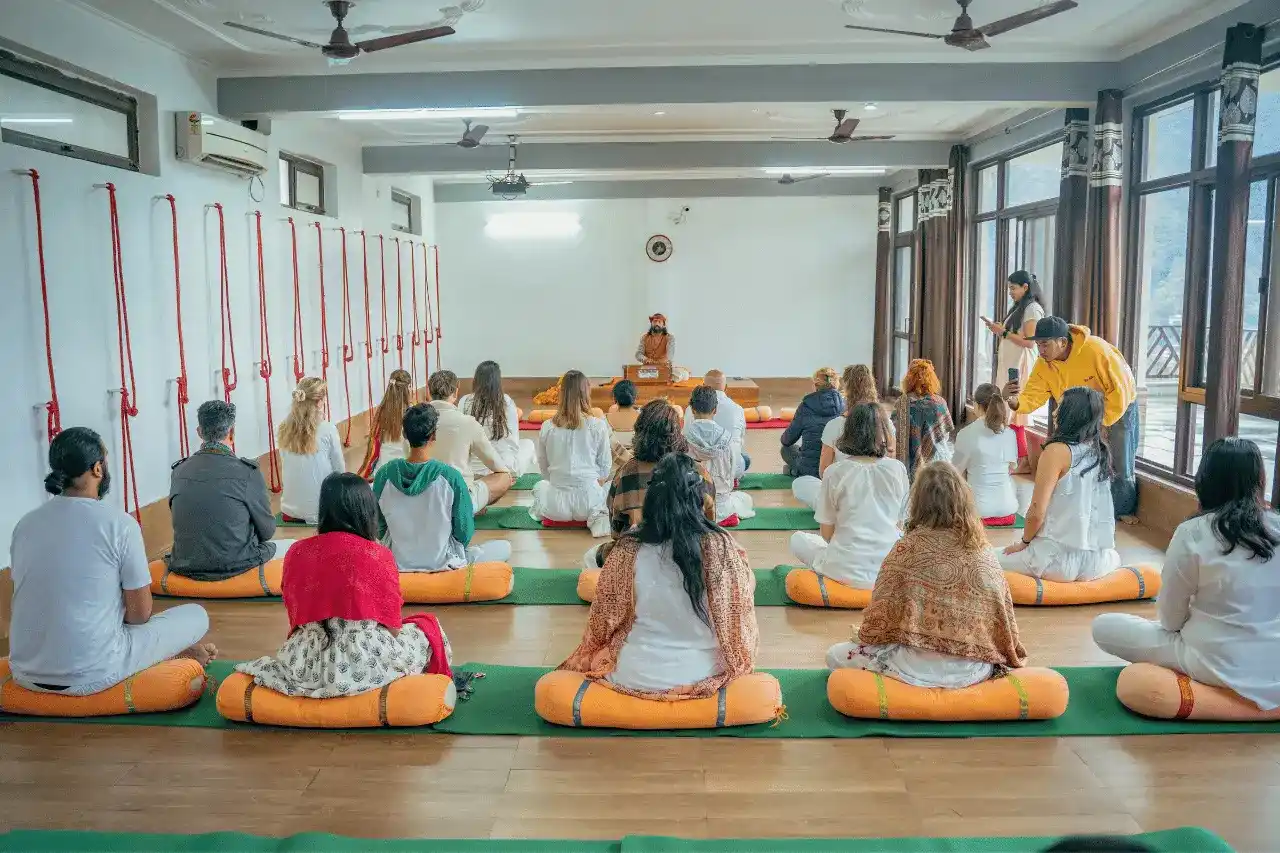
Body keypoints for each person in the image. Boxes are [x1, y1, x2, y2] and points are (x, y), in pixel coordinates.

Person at [8, 427, 215, 696]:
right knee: (195, 615)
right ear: (97, 469)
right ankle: (167, 653)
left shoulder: (25, 524)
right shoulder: (119, 524)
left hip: (25, 673)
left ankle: (164, 651)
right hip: (95, 672)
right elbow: (139, 616)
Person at [1092, 437, 1280, 711]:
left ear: (1206, 479)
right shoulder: (1276, 527)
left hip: (1208, 661)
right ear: (1259, 480)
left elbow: (1169, 619)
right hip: (1271, 663)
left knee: (1104, 626)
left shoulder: (1194, 532)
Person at [558, 452, 759, 698]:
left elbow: (603, 620)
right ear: (698, 499)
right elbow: (741, 608)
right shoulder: (721, 546)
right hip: (702, 671)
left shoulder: (628, 548)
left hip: (635, 673)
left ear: (651, 500)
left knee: (598, 656)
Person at [237, 473, 452, 698]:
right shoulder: (377, 555)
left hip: (306, 664)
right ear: (367, 511)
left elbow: (295, 618)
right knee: (428, 628)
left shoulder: (296, 552)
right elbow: (394, 627)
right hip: (366, 664)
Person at [826, 461, 1026, 686]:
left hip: (913, 668)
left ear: (918, 503)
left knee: (835, 654)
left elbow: (878, 622)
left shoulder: (906, 549)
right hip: (973, 670)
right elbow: (1003, 622)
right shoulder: (983, 552)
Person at [1002, 316, 1139, 519]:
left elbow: (1121, 391)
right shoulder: (1044, 363)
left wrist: (1102, 423)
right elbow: (1034, 393)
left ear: (1063, 342)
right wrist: (1016, 403)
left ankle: (1122, 511)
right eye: (1038, 344)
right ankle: (1092, 508)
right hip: (1080, 415)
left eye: (1045, 344)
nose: (1041, 350)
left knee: (1120, 460)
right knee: (1082, 461)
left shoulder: (1096, 351)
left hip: (1119, 409)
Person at [999, 387, 1120, 583]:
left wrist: (1023, 543)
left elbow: (1036, 512)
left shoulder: (1056, 451)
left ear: (1072, 414)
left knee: (986, 558)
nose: (1055, 413)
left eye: (1060, 407)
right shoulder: (1100, 450)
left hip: (1056, 561)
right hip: (1098, 562)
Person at [374, 404, 512, 571]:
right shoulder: (450, 476)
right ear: (433, 435)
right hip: (443, 562)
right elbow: (463, 532)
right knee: (504, 547)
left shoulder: (384, 475)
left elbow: (378, 526)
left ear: (404, 434)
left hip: (397, 562)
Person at [168, 401, 293, 582]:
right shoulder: (247, 472)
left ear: (199, 432)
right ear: (232, 432)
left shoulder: (179, 471)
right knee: (292, 547)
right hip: (235, 564)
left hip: (185, 564)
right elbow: (267, 531)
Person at [790, 404, 909, 589]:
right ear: (885, 433)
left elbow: (827, 534)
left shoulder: (834, 472)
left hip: (843, 569)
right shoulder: (897, 469)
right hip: (888, 567)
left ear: (849, 432)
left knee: (798, 539)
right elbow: (900, 525)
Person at [586, 400, 715, 569]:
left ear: (640, 432)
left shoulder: (626, 473)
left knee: (590, 558)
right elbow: (710, 526)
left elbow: (616, 531)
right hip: (688, 560)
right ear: (677, 433)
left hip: (638, 562)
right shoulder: (698, 472)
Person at [795, 364, 895, 506]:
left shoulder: (836, 425)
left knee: (801, 483)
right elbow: (891, 460)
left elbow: (824, 472)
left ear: (846, 390)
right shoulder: (887, 425)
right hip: (878, 500)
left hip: (843, 502)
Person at [532, 370, 613, 536]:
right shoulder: (598, 425)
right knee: (611, 485)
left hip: (555, 507)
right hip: (589, 502)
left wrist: (561, 482)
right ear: (587, 392)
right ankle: (598, 517)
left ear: (561, 394)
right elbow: (605, 468)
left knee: (539, 486)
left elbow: (543, 468)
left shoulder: (547, 426)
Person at [982, 270, 1046, 472]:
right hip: (1011, 363)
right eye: (1009, 288)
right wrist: (1000, 330)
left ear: (1025, 287)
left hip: (1020, 365)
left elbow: (1030, 342)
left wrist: (1004, 332)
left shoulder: (1032, 309)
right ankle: (1018, 459)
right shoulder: (1020, 307)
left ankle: (1022, 460)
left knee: (1015, 412)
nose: (1010, 292)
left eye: (1013, 288)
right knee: (1012, 413)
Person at [426, 369, 514, 512]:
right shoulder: (468, 423)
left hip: (425, 496)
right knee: (504, 477)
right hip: (460, 497)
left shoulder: (414, 420)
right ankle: (471, 508)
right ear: (455, 393)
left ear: (428, 392)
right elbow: (495, 464)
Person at [277, 377, 345, 524]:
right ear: (319, 402)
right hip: (321, 511)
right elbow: (339, 470)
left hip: (289, 510)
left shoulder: (283, 427)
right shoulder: (328, 428)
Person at [684, 385, 754, 524]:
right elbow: (731, 474)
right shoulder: (727, 438)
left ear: (692, 410)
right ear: (715, 410)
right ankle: (721, 516)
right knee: (745, 499)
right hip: (720, 502)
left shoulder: (683, 437)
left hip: (691, 502)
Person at [952, 383, 1019, 523]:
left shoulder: (966, 433)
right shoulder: (1010, 433)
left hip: (978, 510)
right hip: (1008, 508)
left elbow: (956, 472)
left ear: (976, 405)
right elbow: (1011, 468)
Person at [459, 360, 536, 478]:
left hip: (472, 470)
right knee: (528, 444)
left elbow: (461, 437)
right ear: (497, 381)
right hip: (505, 470)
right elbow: (513, 441)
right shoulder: (506, 401)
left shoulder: (464, 401)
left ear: (476, 380)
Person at [893, 359, 955, 480]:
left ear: (909, 379)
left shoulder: (901, 403)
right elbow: (945, 435)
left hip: (907, 458)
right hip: (937, 460)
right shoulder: (939, 403)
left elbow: (896, 434)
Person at [779, 367, 845, 478]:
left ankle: (795, 471)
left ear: (815, 385)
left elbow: (787, 440)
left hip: (811, 470)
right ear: (837, 384)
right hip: (837, 469)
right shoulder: (845, 405)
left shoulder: (806, 406)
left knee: (786, 449)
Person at [683, 369, 749, 470]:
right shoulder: (737, 409)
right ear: (714, 410)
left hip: (698, 469)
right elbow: (739, 439)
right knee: (745, 458)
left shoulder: (691, 409)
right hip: (729, 469)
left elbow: (685, 437)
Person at [356, 369, 414, 479]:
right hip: (403, 471)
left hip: (382, 470)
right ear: (408, 388)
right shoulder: (412, 413)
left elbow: (375, 444)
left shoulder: (382, 411)